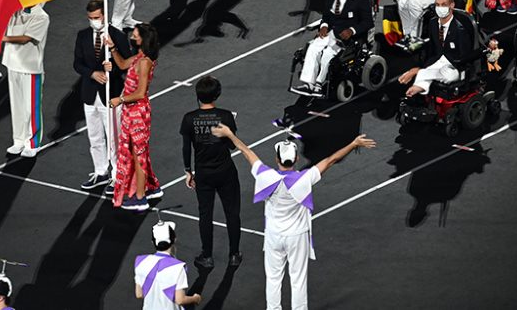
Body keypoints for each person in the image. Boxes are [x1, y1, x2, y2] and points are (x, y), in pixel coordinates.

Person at [211, 126, 376, 310]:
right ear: (296, 159)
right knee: (298, 280)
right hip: (297, 237)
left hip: (274, 236)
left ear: (277, 159)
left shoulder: (266, 176)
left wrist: (230, 135)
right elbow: (331, 160)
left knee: (273, 279)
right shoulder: (304, 178)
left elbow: (247, 152)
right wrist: (353, 144)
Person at [181, 76, 243, 270]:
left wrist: (188, 171)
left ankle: (207, 256)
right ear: (217, 94)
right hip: (225, 170)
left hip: (203, 172)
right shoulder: (225, 116)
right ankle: (234, 254)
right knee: (232, 213)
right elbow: (233, 146)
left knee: (205, 214)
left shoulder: (189, 118)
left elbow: (186, 148)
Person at [73, 0, 132, 190]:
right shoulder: (82, 36)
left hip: (111, 95)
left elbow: (125, 65)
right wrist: (92, 73)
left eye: (97, 17)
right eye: (90, 17)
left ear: (104, 15)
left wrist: (111, 68)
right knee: (95, 136)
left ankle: (117, 174)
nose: (93, 20)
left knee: (114, 137)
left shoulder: (117, 36)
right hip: (89, 94)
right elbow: (77, 63)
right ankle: (100, 172)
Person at [106, 23, 162, 212]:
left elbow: (140, 93)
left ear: (142, 39)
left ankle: (140, 198)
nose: (132, 35)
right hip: (131, 112)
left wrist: (120, 99)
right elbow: (121, 64)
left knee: (138, 156)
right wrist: (112, 47)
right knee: (138, 152)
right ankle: (152, 187)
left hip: (138, 112)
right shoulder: (138, 57)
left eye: (136, 34)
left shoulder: (144, 62)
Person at [296, 0, 374, 95]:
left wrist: (352, 30)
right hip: (331, 32)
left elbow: (368, 22)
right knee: (313, 48)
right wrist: (324, 26)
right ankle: (309, 84)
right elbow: (326, 16)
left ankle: (319, 84)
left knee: (328, 54)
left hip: (348, 38)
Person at [399, 0, 474, 96]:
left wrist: (418, 71)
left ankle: (418, 76)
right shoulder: (433, 23)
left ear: (451, 6)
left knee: (448, 76)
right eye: (437, 5)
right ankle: (418, 89)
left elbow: (465, 55)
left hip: (454, 65)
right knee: (428, 71)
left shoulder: (459, 29)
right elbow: (432, 48)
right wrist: (426, 64)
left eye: (444, 5)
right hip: (437, 60)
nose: (440, 8)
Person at [1, 4, 49, 157]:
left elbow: (26, 39)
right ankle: (19, 140)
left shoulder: (41, 16)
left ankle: (33, 143)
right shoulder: (14, 12)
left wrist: (4, 38)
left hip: (30, 68)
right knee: (17, 106)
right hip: (12, 64)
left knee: (31, 108)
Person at [134, 219, 202, 309]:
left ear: (152, 242)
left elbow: (139, 294)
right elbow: (180, 300)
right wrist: (195, 298)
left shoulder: (140, 261)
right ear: (174, 239)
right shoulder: (178, 267)